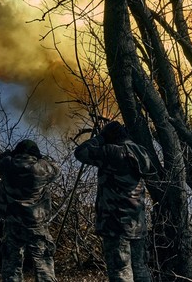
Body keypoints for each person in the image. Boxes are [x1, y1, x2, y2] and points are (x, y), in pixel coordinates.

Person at [74, 121, 155, 282]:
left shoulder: (111, 152)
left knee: (120, 271)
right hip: (137, 223)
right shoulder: (141, 152)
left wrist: (100, 138)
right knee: (140, 268)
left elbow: (80, 152)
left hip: (115, 223)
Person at [0, 139, 60, 282]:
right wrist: (42, 157)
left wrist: (5, 155)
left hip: (13, 224)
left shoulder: (6, 164)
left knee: (12, 268)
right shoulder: (43, 168)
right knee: (43, 266)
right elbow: (56, 168)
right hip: (37, 225)